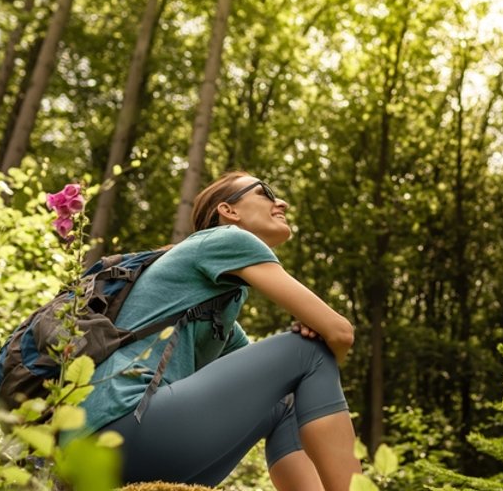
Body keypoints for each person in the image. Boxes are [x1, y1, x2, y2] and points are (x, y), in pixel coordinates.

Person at [73, 170, 361, 490]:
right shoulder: (225, 238)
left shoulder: (215, 317)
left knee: (285, 401)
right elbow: (339, 332)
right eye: (264, 192)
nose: (282, 203)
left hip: (99, 452)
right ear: (228, 211)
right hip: (122, 426)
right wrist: (321, 345)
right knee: (309, 351)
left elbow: (266, 385)